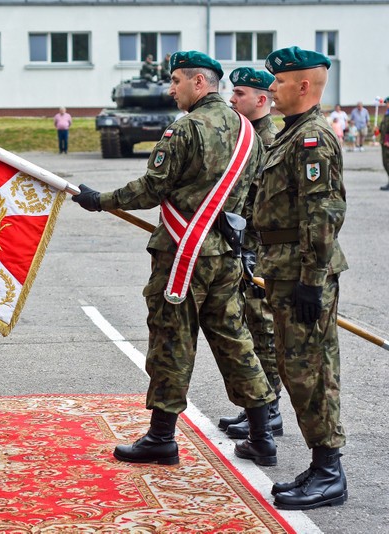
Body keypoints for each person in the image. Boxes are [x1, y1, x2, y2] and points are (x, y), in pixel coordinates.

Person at [72, 51, 276, 467]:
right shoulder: (248, 133)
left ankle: (161, 438)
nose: (171, 89)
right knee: (235, 342)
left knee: (171, 343)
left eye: (177, 81)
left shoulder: (184, 131)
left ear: (199, 83)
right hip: (224, 255)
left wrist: (101, 201)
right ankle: (262, 435)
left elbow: (151, 188)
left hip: (183, 254)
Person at [256, 46, 348, 510]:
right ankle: (321, 464)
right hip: (284, 268)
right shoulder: (290, 136)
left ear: (304, 86)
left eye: (279, 81)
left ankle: (330, 472)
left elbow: (324, 212)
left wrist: (313, 279)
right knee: (297, 371)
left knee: (311, 372)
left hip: (302, 274)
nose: (271, 88)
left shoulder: (314, 139)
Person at [219, 67, 283, 440]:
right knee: (250, 326)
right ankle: (256, 406)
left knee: (263, 329)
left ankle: (269, 409)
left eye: (240, 93)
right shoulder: (244, 136)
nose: (232, 99)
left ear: (262, 100)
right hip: (242, 244)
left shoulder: (269, 140)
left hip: (259, 248)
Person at [380, 108, 389, 190]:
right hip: (384, 142)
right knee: (385, 163)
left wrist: (387, 140)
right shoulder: (386, 114)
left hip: (387, 142)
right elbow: (383, 127)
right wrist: (378, 130)